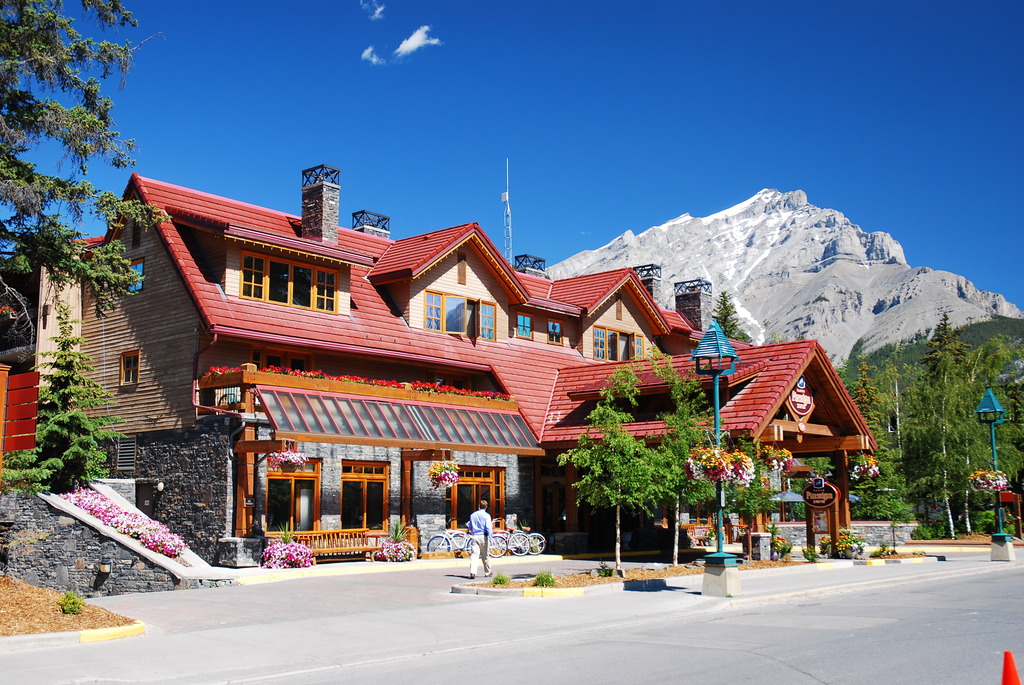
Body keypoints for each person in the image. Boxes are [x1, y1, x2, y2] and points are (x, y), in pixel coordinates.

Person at [466, 499, 493, 579]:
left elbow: (470, 526)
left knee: (474, 555)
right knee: (485, 555)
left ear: (479, 506)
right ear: (486, 507)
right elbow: (488, 527)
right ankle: (487, 572)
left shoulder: (473, 515)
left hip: (474, 536)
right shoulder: (487, 516)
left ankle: (472, 572)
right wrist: (491, 538)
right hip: (483, 537)